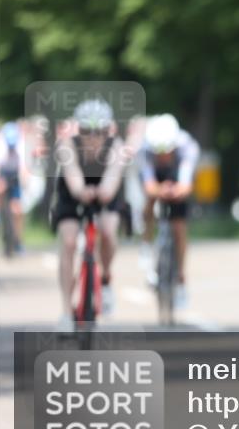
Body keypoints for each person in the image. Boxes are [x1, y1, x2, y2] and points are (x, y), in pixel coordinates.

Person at [50, 99, 127, 326]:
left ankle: (105, 277)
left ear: (107, 130)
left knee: (109, 230)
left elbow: (110, 186)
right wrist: (83, 191)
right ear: (78, 130)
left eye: (99, 132)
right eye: (86, 131)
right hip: (73, 193)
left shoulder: (117, 147)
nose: (93, 138)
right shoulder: (67, 146)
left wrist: (102, 192)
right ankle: (66, 310)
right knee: (69, 241)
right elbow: (74, 182)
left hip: (105, 192)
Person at [139, 114, 199, 310]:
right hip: (156, 177)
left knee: (179, 226)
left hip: (177, 176)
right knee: (148, 203)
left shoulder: (187, 148)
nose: (163, 156)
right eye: (159, 152)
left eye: (167, 151)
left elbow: (186, 183)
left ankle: (181, 277)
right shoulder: (145, 150)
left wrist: (176, 190)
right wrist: (158, 191)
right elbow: (148, 185)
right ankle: (146, 244)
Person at [0, 122, 27, 253]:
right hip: (2, 176)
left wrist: (24, 180)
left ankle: (17, 239)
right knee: (0, 196)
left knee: (17, 210)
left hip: (15, 179)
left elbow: (24, 169)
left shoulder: (21, 146)